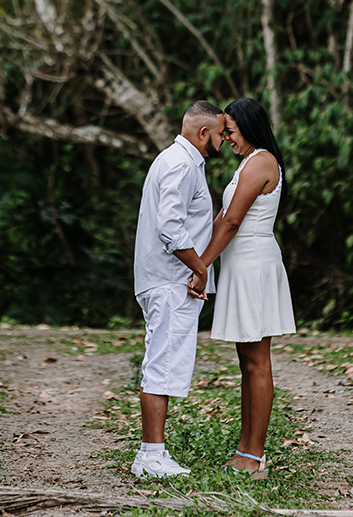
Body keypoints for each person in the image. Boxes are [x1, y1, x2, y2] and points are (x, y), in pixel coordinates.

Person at [195, 97, 295, 478]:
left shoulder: (262, 162)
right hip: (241, 267)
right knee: (246, 362)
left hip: (254, 267)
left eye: (231, 132)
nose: (226, 139)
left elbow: (232, 221)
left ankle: (255, 456)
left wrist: (201, 265)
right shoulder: (248, 162)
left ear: (249, 128)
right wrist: (198, 257)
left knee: (257, 362)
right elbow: (223, 216)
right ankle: (244, 449)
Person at [131, 99, 225, 479]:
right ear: (203, 132)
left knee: (163, 362)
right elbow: (169, 227)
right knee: (162, 364)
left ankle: (151, 452)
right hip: (172, 280)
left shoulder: (177, 160)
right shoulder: (182, 165)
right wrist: (200, 269)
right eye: (220, 134)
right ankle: (152, 456)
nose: (223, 141)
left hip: (166, 278)